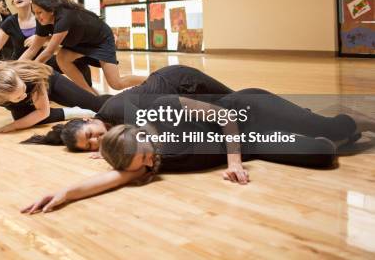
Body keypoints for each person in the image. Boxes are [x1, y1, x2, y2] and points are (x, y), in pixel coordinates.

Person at [21, 90, 375, 214]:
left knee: (334, 130)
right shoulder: (137, 160)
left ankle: (355, 118)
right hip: (254, 145)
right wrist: (65, 193)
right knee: (324, 153)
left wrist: (234, 162)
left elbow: (224, 117)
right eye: (143, 166)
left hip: (246, 115)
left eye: (148, 156)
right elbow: (110, 179)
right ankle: (328, 128)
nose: (150, 167)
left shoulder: (162, 106)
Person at [21, 65, 233, 150]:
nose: (96, 141)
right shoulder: (111, 123)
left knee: (239, 103)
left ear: (89, 120)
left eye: (90, 135)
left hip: (181, 81)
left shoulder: (117, 113)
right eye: (89, 145)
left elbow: (150, 135)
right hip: (174, 90)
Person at [0, 61, 110, 147]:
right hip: (31, 104)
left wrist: (12, 126)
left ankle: (122, 100)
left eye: (23, 89)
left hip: (50, 83)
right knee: (26, 118)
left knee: (96, 105)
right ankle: (72, 112)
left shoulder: (29, 77)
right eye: (18, 96)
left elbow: (42, 111)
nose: (23, 94)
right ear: (2, 98)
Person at [21, 0, 146, 94]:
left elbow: (48, 52)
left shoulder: (64, 18)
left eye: (39, 12)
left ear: (51, 10)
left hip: (101, 40)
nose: (37, 17)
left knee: (116, 83)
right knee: (62, 57)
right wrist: (16, 68)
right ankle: (89, 93)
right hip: (80, 42)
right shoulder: (42, 20)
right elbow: (33, 49)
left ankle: (154, 79)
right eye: (34, 13)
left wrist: (28, 72)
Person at [0, 0, 93, 85]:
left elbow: (58, 39)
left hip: (44, 59)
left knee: (78, 62)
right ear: (13, 2)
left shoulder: (42, 17)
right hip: (21, 61)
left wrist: (43, 38)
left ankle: (88, 92)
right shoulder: (9, 22)